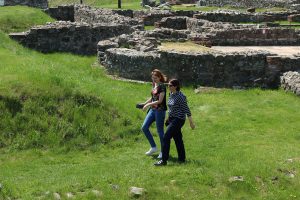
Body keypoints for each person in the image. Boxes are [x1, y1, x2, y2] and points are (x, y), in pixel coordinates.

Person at [155, 79, 195, 166]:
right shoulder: (171, 94)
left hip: (179, 119)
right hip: (172, 119)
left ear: (175, 86)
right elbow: (171, 109)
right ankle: (182, 159)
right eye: (168, 85)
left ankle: (163, 160)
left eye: (170, 85)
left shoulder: (181, 96)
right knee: (178, 139)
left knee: (166, 137)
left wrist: (191, 122)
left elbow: (186, 108)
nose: (168, 87)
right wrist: (168, 118)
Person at [140, 69, 167, 159]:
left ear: (159, 77)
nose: (154, 80)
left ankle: (163, 152)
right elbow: (153, 97)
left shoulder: (162, 86)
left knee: (160, 131)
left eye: (155, 78)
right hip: (152, 110)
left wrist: (147, 105)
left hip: (160, 111)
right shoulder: (154, 84)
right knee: (144, 127)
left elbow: (159, 101)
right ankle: (154, 147)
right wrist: (144, 103)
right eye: (152, 78)